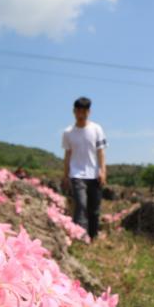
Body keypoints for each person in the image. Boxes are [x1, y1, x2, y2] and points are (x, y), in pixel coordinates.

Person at [61, 96, 107, 240]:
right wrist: (65, 174)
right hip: (77, 174)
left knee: (94, 208)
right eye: (79, 110)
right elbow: (68, 154)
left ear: (89, 112)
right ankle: (80, 236)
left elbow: (101, 152)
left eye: (84, 110)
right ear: (74, 111)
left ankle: (93, 235)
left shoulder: (96, 129)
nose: (81, 113)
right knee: (80, 204)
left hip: (94, 174)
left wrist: (103, 171)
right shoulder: (68, 132)